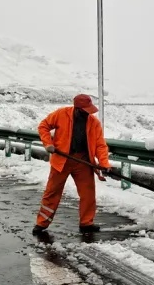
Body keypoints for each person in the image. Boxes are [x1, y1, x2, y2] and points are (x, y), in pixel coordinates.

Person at [32, 94, 111, 235]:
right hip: (62, 161)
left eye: (89, 110)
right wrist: (48, 144)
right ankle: (41, 223)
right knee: (52, 193)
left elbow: (100, 145)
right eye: (85, 111)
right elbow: (43, 126)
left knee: (88, 194)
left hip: (83, 161)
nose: (88, 114)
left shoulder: (94, 122)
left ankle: (86, 223)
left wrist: (104, 163)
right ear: (77, 109)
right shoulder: (61, 114)